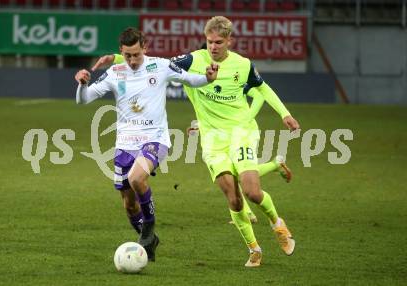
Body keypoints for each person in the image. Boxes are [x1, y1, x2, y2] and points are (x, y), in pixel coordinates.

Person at [92, 17, 300, 267]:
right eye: (210, 42)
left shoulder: (242, 65)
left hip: (241, 132)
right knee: (233, 199)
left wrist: (285, 114)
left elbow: (263, 88)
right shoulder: (194, 60)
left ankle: (277, 224)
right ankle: (254, 249)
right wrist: (117, 59)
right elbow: (154, 64)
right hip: (212, 139)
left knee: (252, 192)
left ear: (229, 41)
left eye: (219, 42)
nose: (213, 47)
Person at [74, 27, 218, 261]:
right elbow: (84, 100)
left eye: (136, 55)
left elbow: (191, 79)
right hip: (125, 143)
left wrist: (207, 78)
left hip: (155, 138)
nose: (132, 60)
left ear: (145, 48)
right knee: (129, 206)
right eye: (128, 55)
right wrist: (82, 84)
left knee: (137, 178)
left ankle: (149, 227)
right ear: (121, 51)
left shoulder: (160, 66)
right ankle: (149, 237)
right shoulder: (114, 72)